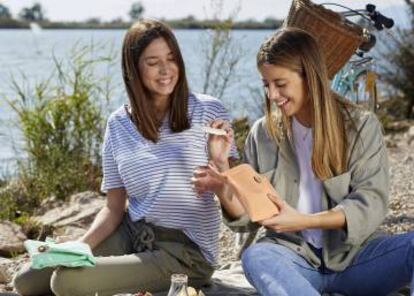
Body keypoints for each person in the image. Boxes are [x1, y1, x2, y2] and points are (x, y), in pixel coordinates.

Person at [13, 19, 238, 296]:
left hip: (185, 252)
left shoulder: (207, 111)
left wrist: (221, 164)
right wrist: (80, 246)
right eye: (153, 62)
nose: (166, 69)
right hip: (133, 234)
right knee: (26, 281)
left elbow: (239, 202)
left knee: (66, 283)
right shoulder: (118, 123)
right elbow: (114, 207)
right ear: (133, 68)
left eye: (171, 58)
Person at [192, 27, 414, 296]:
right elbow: (247, 219)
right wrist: (223, 168)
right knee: (256, 256)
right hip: (292, 259)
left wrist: (303, 220)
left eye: (280, 84)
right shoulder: (262, 133)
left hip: (357, 260)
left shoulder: (361, 127)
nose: (272, 95)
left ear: (309, 76)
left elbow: (371, 204)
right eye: (266, 84)